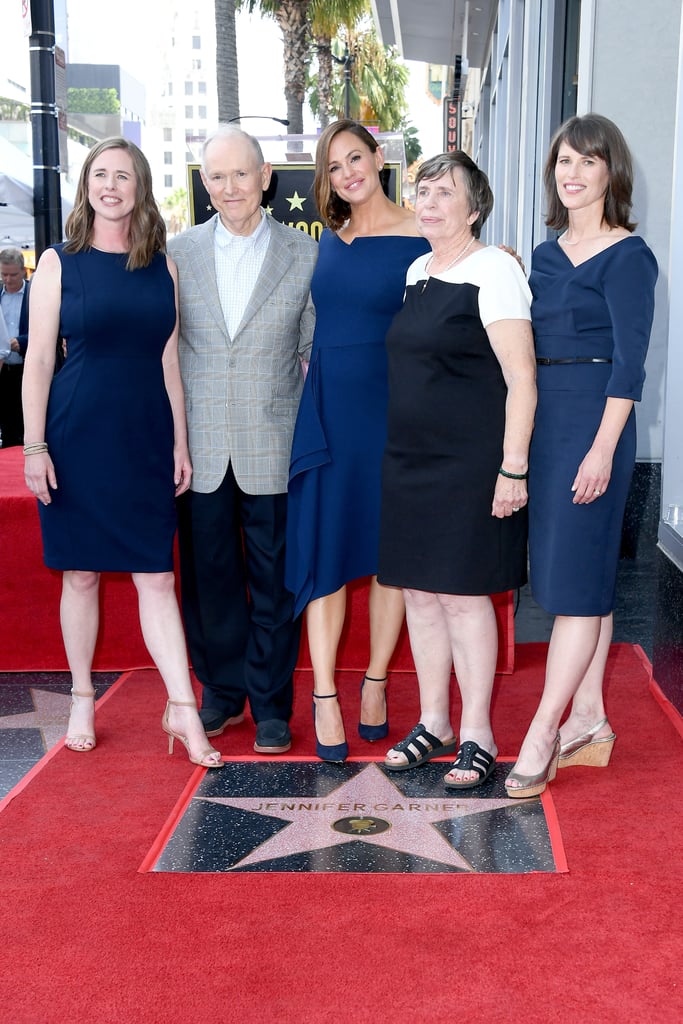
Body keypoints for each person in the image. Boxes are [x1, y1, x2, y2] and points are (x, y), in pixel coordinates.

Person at [22, 137, 222, 769]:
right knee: (80, 573)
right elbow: (36, 364)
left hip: (144, 436)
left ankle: (183, 709)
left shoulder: (162, 264)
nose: (111, 186)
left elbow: (169, 359)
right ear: (87, 186)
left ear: (140, 189)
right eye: (100, 175)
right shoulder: (59, 262)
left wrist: (180, 442)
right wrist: (34, 446)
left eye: (124, 176)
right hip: (78, 433)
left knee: (157, 576)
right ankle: (82, 697)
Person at [505, 114, 657, 798]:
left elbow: (630, 367)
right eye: (562, 162)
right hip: (546, 422)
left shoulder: (629, 256)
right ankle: (590, 716)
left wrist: (600, 450)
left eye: (585, 162)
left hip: (597, 423)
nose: (570, 173)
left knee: (571, 588)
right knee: (578, 580)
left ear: (609, 173)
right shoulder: (542, 255)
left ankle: (543, 730)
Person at [377, 151, 537, 788]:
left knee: (467, 601)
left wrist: (513, 468)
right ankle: (434, 721)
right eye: (423, 190)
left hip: (470, 464)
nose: (430, 202)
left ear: (474, 207)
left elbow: (522, 378)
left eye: (446, 193)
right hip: (409, 460)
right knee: (420, 594)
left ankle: (478, 732)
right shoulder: (417, 269)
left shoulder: (494, 269)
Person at [168, 125, 318, 756]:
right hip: (199, 448)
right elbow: (167, 349)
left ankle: (271, 705)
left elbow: (312, 352)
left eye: (241, 174)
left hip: (274, 446)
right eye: (217, 176)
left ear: (266, 179)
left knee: (276, 583)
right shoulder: (176, 254)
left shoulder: (306, 256)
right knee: (208, 582)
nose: (230, 187)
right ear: (206, 184)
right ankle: (222, 694)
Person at [285, 119, 430, 762]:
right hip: (329, 411)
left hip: (395, 410)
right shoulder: (328, 244)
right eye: (334, 165)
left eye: (356, 157)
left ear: (378, 159)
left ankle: (374, 683)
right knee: (327, 556)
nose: (348, 172)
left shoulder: (422, 236)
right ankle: (323, 695)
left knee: (389, 557)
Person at [0, 248, 30, 447]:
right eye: (3, 274)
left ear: (24, 272)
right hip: (3, 372)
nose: (8, 279)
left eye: (13, 274)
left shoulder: (33, 294)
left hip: (26, 371)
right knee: (6, 426)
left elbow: (50, 328)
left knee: (26, 425)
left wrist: (23, 341)